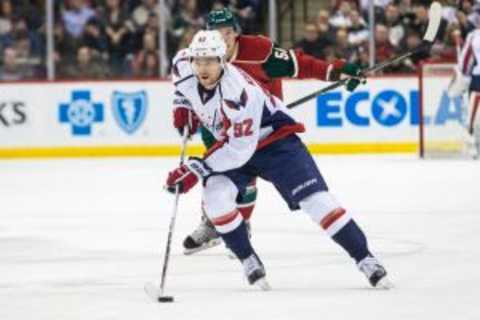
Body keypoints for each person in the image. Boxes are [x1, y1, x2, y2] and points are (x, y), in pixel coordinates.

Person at [166, 30, 392, 290]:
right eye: (199, 60)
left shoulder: (239, 93)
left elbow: (239, 150)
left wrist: (197, 168)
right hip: (233, 143)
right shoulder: (182, 64)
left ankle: (365, 259)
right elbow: (182, 91)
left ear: (223, 61)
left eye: (210, 61)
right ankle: (248, 260)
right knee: (215, 196)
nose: (203, 67)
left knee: (316, 201)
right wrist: (182, 106)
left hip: (275, 142)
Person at [173, 8, 365, 255]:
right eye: (217, 34)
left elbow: (300, 64)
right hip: (216, 124)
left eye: (228, 32)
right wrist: (184, 107)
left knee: (246, 176)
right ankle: (213, 224)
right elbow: (182, 85)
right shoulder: (196, 59)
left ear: (236, 33)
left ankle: (242, 224)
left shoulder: (258, 50)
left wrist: (333, 72)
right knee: (216, 174)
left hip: (260, 125)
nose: (223, 38)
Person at [447, 28, 480, 158]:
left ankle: (471, 135)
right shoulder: (474, 35)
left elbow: (466, 60)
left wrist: (463, 76)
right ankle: (471, 136)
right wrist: (463, 75)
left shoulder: (475, 35)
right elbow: (466, 59)